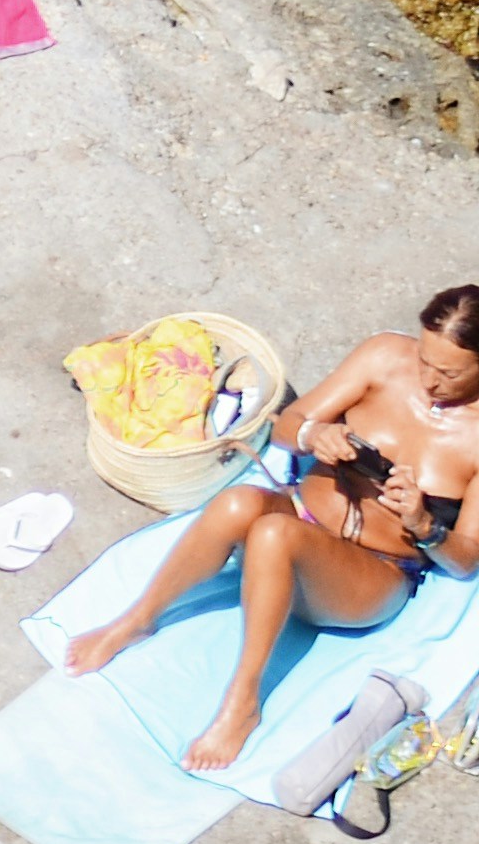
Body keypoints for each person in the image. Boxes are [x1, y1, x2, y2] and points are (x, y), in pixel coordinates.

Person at [62, 286, 479, 772]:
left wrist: (425, 524)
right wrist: (312, 434)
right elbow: (285, 426)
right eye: (425, 360)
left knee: (274, 534)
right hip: (303, 510)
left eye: (449, 373)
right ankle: (137, 620)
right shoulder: (385, 357)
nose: (428, 380)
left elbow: (466, 559)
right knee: (239, 502)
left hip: (370, 575)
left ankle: (243, 701)